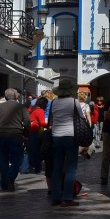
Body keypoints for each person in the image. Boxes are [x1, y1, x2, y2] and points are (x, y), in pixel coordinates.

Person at [49, 79, 85, 207]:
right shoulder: (74, 102)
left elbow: (51, 120)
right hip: (70, 137)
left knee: (57, 167)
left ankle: (55, 197)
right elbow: (82, 118)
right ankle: (67, 198)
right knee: (70, 168)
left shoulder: (53, 102)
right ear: (70, 91)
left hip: (56, 137)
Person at [0, 89, 31, 191]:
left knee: (3, 160)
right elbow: (27, 121)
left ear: (5, 97)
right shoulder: (21, 107)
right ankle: (10, 176)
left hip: (1, 135)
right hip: (15, 135)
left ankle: (4, 184)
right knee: (18, 158)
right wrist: (26, 133)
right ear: (15, 96)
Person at [27, 97, 48, 174]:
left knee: (30, 150)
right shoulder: (40, 111)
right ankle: (37, 168)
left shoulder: (31, 109)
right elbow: (42, 123)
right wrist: (50, 126)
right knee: (37, 151)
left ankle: (29, 166)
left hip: (28, 131)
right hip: (35, 131)